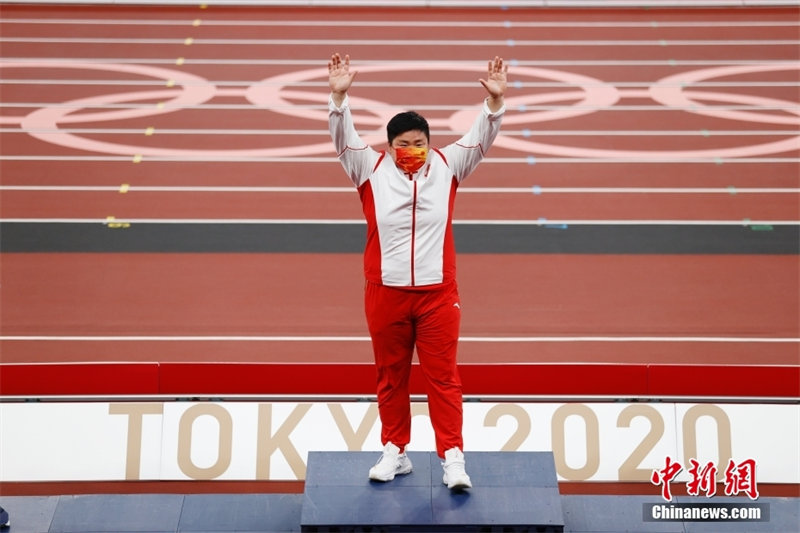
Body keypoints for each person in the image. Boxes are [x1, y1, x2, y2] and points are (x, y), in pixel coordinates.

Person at [327, 53, 507, 490]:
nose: (413, 150)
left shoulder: (448, 166)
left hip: (437, 295)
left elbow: (480, 138)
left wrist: (494, 104)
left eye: (419, 142)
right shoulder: (367, 169)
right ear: (389, 147)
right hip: (385, 293)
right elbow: (343, 138)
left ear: (430, 143)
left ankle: (453, 458)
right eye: (404, 144)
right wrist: (339, 99)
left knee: (443, 378)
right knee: (391, 378)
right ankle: (396, 451)